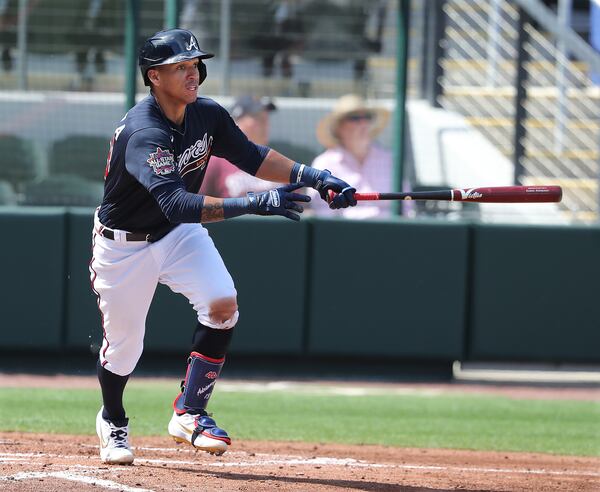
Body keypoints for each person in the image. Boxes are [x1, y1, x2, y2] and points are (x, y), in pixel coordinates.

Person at [90, 28, 357, 465]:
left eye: (195, 64)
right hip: (125, 246)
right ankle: (113, 417)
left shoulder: (206, 114)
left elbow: (252, 156)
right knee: (124, 348)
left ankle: (189, 411)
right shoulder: (143, 131)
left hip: (176, 235)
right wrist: (253, 202)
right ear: (154, 76)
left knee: (222, 303)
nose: (193, 73)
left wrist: (314, 176)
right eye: (181, 67)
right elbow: (176, 201)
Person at [309, 94, 392, 219]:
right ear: (339, 128)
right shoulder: (324, 164)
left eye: (368, 117)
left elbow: (407, 207)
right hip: (345, 234)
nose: (363, 123)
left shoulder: (389, 160)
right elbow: (322, 214)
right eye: (355, 118)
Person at [199, 95, 279, 197]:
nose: (265, 124)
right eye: (258, 118)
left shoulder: (275, 160)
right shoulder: (215, 161)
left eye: (266, 119)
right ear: (237, 121)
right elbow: (195, 205)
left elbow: (301, 205)